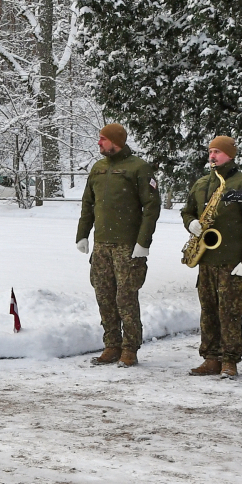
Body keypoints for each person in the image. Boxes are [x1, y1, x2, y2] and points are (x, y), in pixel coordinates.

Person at [76, 123, 161, 367]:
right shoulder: (98, 168)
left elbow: (151, 207)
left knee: (125, 297)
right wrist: (82, 235)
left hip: (128, 246)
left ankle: (130, 348)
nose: (99, 142)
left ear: (116, 141)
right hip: (101, 245)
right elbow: (87, 204)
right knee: (104, 295)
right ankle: (111, 344)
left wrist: (143, 242)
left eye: (103, 139)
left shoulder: (139, 168)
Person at [181, 137, 242, 378]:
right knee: (208, 310)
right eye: (210, 151)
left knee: (230, 312)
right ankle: (211, 358)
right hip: (206, 260)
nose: (212, 156)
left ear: (229, 155)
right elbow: (187, 211)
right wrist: (192, 223)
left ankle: (230, 360)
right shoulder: (201, 183)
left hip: (232, 262)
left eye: (217, 152)